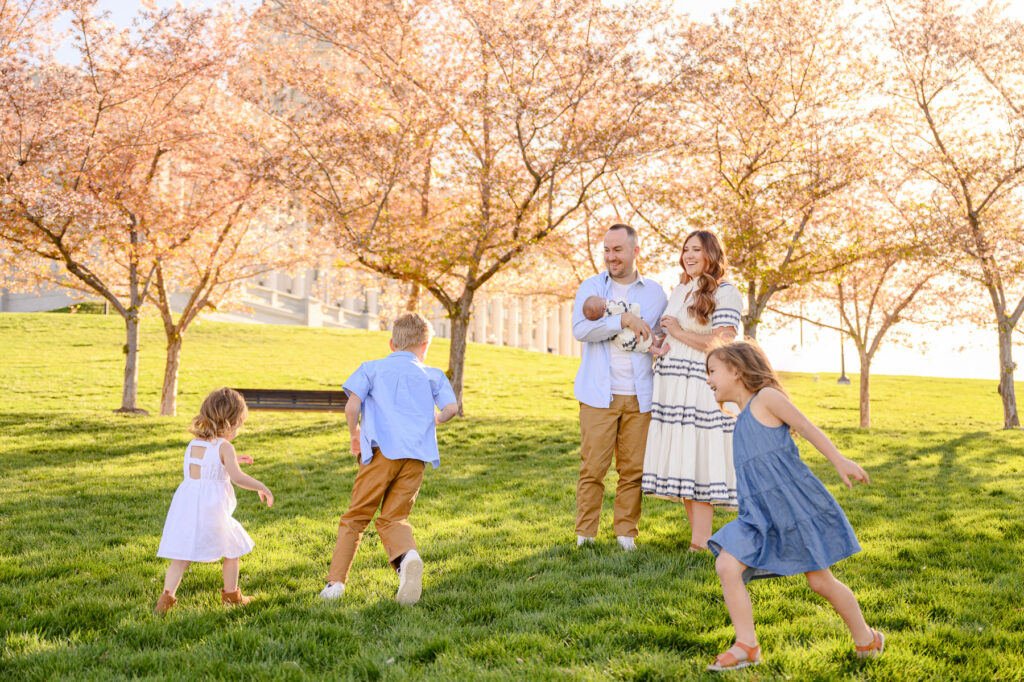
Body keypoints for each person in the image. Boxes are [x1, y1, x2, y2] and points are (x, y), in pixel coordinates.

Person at [702, 340, 883, 671]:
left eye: (712, 371)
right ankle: (747, 646)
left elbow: (806, 427)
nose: (708, 379)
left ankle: (866, 637)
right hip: (758, 516)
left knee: (819, 582)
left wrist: (839, 460)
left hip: (793, 509)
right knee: (727, 565)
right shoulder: (740, 421)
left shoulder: (766, 399)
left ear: (736, 370)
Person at [319, 312, 458, 605]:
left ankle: (335, 584)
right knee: (395, 517)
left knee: (356, 517)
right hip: (416, 458)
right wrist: (437, 418)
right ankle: (408, 557)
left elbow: (352, 405)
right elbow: (451, 409)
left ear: (392, 343)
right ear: (425, 344)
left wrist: (354, 434)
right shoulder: (432, 374)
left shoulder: (371, 368)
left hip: (380, 453)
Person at [642, 230, 742, 550]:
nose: (688, 255)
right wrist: (653, 342)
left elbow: (723, 341)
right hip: (672, 386)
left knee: (699, 463)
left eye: (696, 249)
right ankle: (703, 540)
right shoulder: (682, 288)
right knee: (685, 462)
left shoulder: (726, 291)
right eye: (685, 249)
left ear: (711, 253)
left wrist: (680, 332)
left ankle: (700, 544)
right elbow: (669, 334)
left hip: (701, 385)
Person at [572, 223, 668, 551]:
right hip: (599, 394)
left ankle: (626, 534)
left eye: (618, 250)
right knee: (593, 467)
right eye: (607, 250)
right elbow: (581, 330)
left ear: (635, 251)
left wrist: (659, 343)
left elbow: (658, 337)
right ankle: (586, 536)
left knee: (633, 469)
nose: (611, 257)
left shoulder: (655, 293)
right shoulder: (591, 287)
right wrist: (622, 321)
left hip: (640, 394)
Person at [155, 387, 274, 614]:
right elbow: (237, 477)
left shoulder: (194, 444)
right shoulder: (225, 447)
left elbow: (203, 468)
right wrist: (262, 487)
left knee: (181, 557)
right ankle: (232, 597)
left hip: (187, 509)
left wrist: (231, 460)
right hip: (212, 510)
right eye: (240, 424)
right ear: (231, 423)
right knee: (232, 549)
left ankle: (165, 600)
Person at [582, 295, 653, 352]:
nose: (604, 298)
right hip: (629, 333)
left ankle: (655, 349)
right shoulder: (610, 309)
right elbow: (622, 307)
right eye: (601, 299)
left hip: (622, 340)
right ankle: (657, 349)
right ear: (604, 307)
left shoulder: (602, 320)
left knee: (643, 344)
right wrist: (619, 301)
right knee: (644, 338)